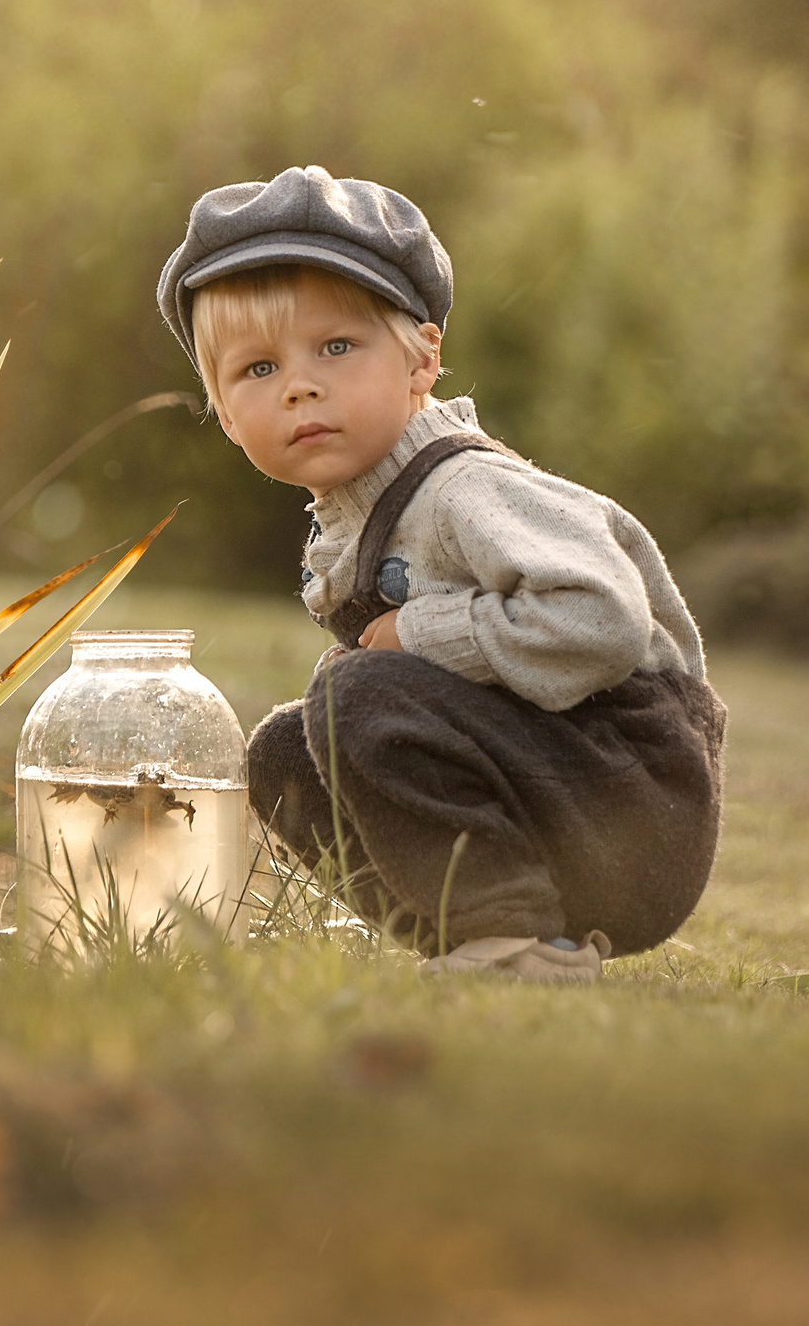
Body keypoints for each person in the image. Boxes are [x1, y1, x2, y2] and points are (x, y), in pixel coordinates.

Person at [155, 166, 727, 982]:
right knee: (286, 751)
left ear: (423, 358)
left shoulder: (464, 489)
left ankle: (513, 935)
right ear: (221, 410)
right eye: (257, 370)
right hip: (553, 791)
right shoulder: (358, 510)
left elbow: (604, 619)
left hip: (632, 801)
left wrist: (413, 635)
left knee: (353, 696)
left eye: (337, 346)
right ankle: (490, 939)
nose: (300, 385)